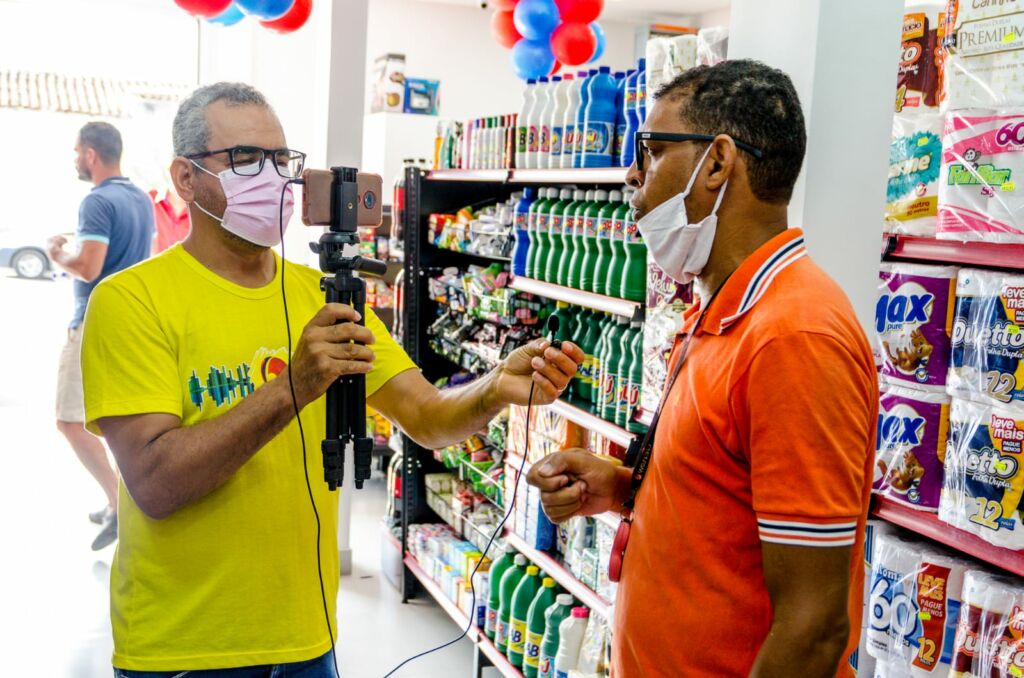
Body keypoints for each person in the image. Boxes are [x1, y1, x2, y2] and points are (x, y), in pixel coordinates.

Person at [80, 82, 582, 677]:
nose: (269, 179)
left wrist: (496, 385)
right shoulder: (132, 302)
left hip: (307, 643)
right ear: (185, 179)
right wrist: (293, 386)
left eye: (280, 161)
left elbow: (427, 417)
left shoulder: (323, 296)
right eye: (244, 160)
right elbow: (155, 485)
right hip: (185, 649)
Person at [527, 60, 877, 677]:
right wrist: (620, 487)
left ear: (717, 163)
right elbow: (728, 494)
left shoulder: (793, 338)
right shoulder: (724, 308)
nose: (632, 174)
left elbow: (814, 627)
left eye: (653, 150)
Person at [48, 121, 154, 551]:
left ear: (91, 154)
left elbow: (90, 267)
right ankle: (122, 500)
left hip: (92, 321)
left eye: (77, 151)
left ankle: (118, 503)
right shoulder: (140, 199)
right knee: (115, 420)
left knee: (69, 420)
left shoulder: (97, 202)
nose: (75, 158)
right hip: (128, 322)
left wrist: (58, 254)